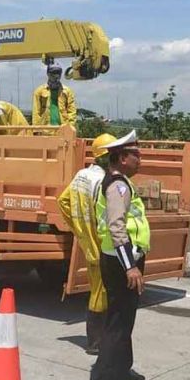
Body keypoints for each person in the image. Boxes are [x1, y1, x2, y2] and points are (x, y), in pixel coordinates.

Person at [86, 130, 150, 380]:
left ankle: (122, 370)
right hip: (120, 261)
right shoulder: (118, 186)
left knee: (126, 319)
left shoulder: (120, 182)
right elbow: (116, 226)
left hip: (123, 259)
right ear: (122, 158)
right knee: (117, 324)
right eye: (135, 155)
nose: (139, 159)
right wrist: (130, 267)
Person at [58, 133, 118, 355]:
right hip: (101, 244)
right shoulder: (103, 181)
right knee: (100, 293)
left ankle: (96, 339)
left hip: (87, 241)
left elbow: (63, 201)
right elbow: (105, 216)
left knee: (96, 289)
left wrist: (78, 228)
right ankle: (95, 342)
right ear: (105, 156)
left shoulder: (82, 175)